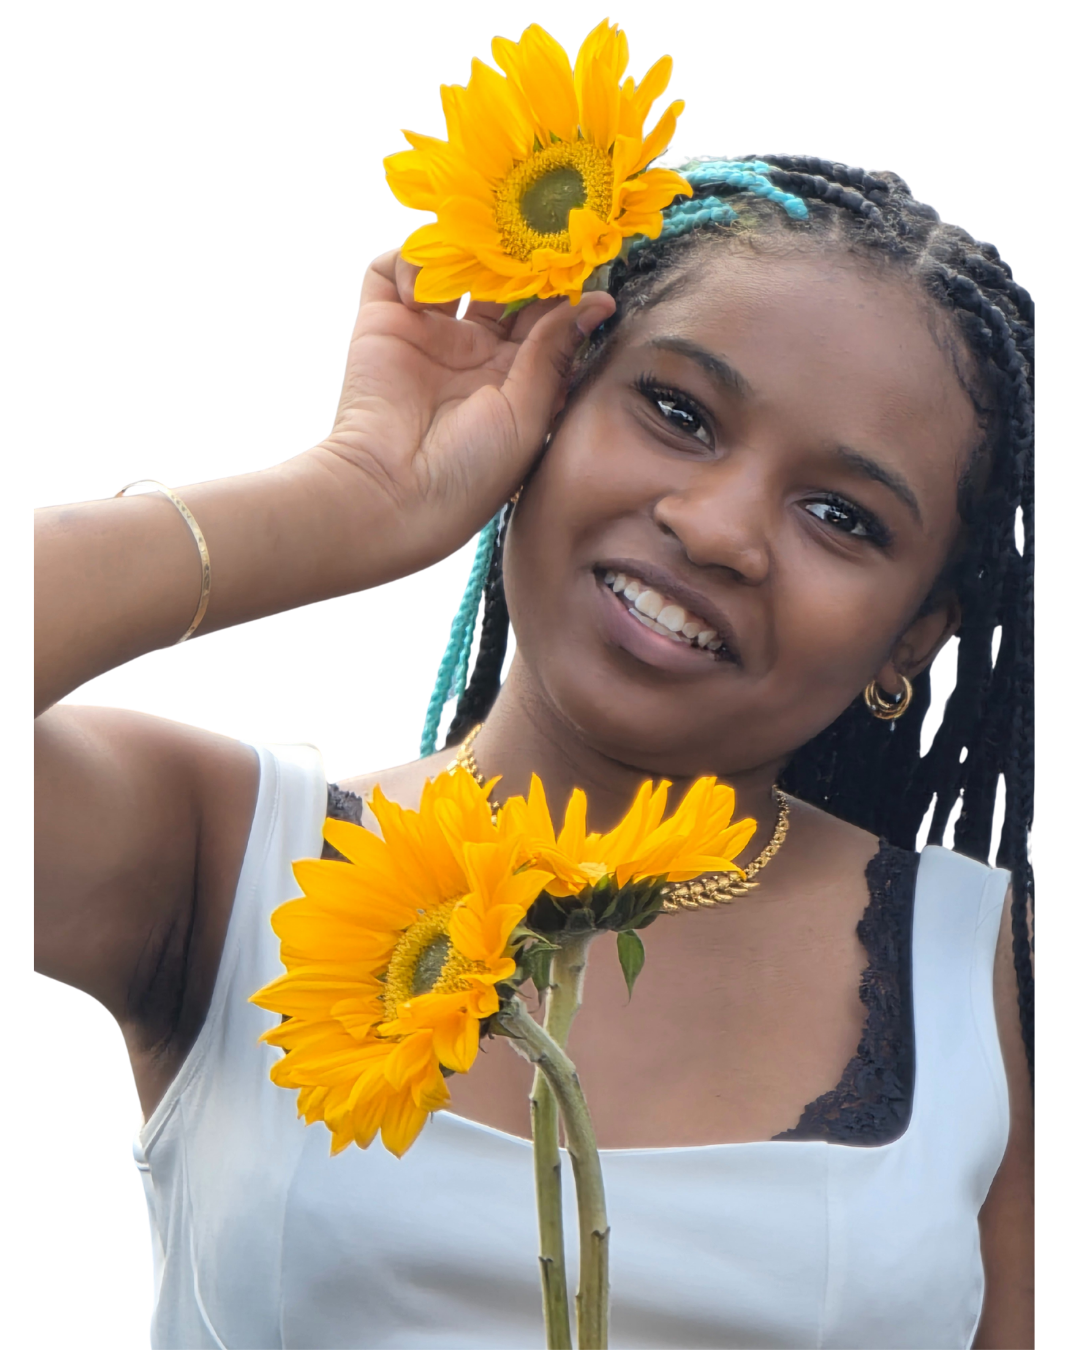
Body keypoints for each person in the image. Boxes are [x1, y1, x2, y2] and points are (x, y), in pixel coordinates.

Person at [35, 156, 1033, 1349]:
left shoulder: (992, 981)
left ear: (912, 640)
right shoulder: (222, 857)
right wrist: (349, 494)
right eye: (678, 412)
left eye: (842, 518)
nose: (716, 529)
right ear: (546, 411)